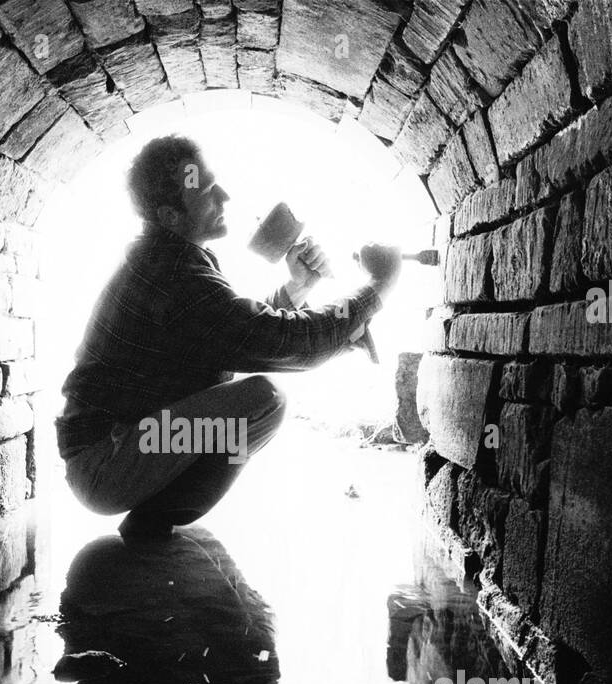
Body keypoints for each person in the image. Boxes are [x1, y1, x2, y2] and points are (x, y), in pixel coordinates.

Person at [55, 134, 403, 540]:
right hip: (108, 461)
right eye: (206, 191)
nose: (225, 196)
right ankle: (155, 516)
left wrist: (297, 288)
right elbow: (277, 340)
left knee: (247, 405)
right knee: (262, 401)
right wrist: (378, 287)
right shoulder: (173, 275)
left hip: (112, 454)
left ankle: (154, 512)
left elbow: (229, 332)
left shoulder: (167, 258)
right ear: (170, 215)